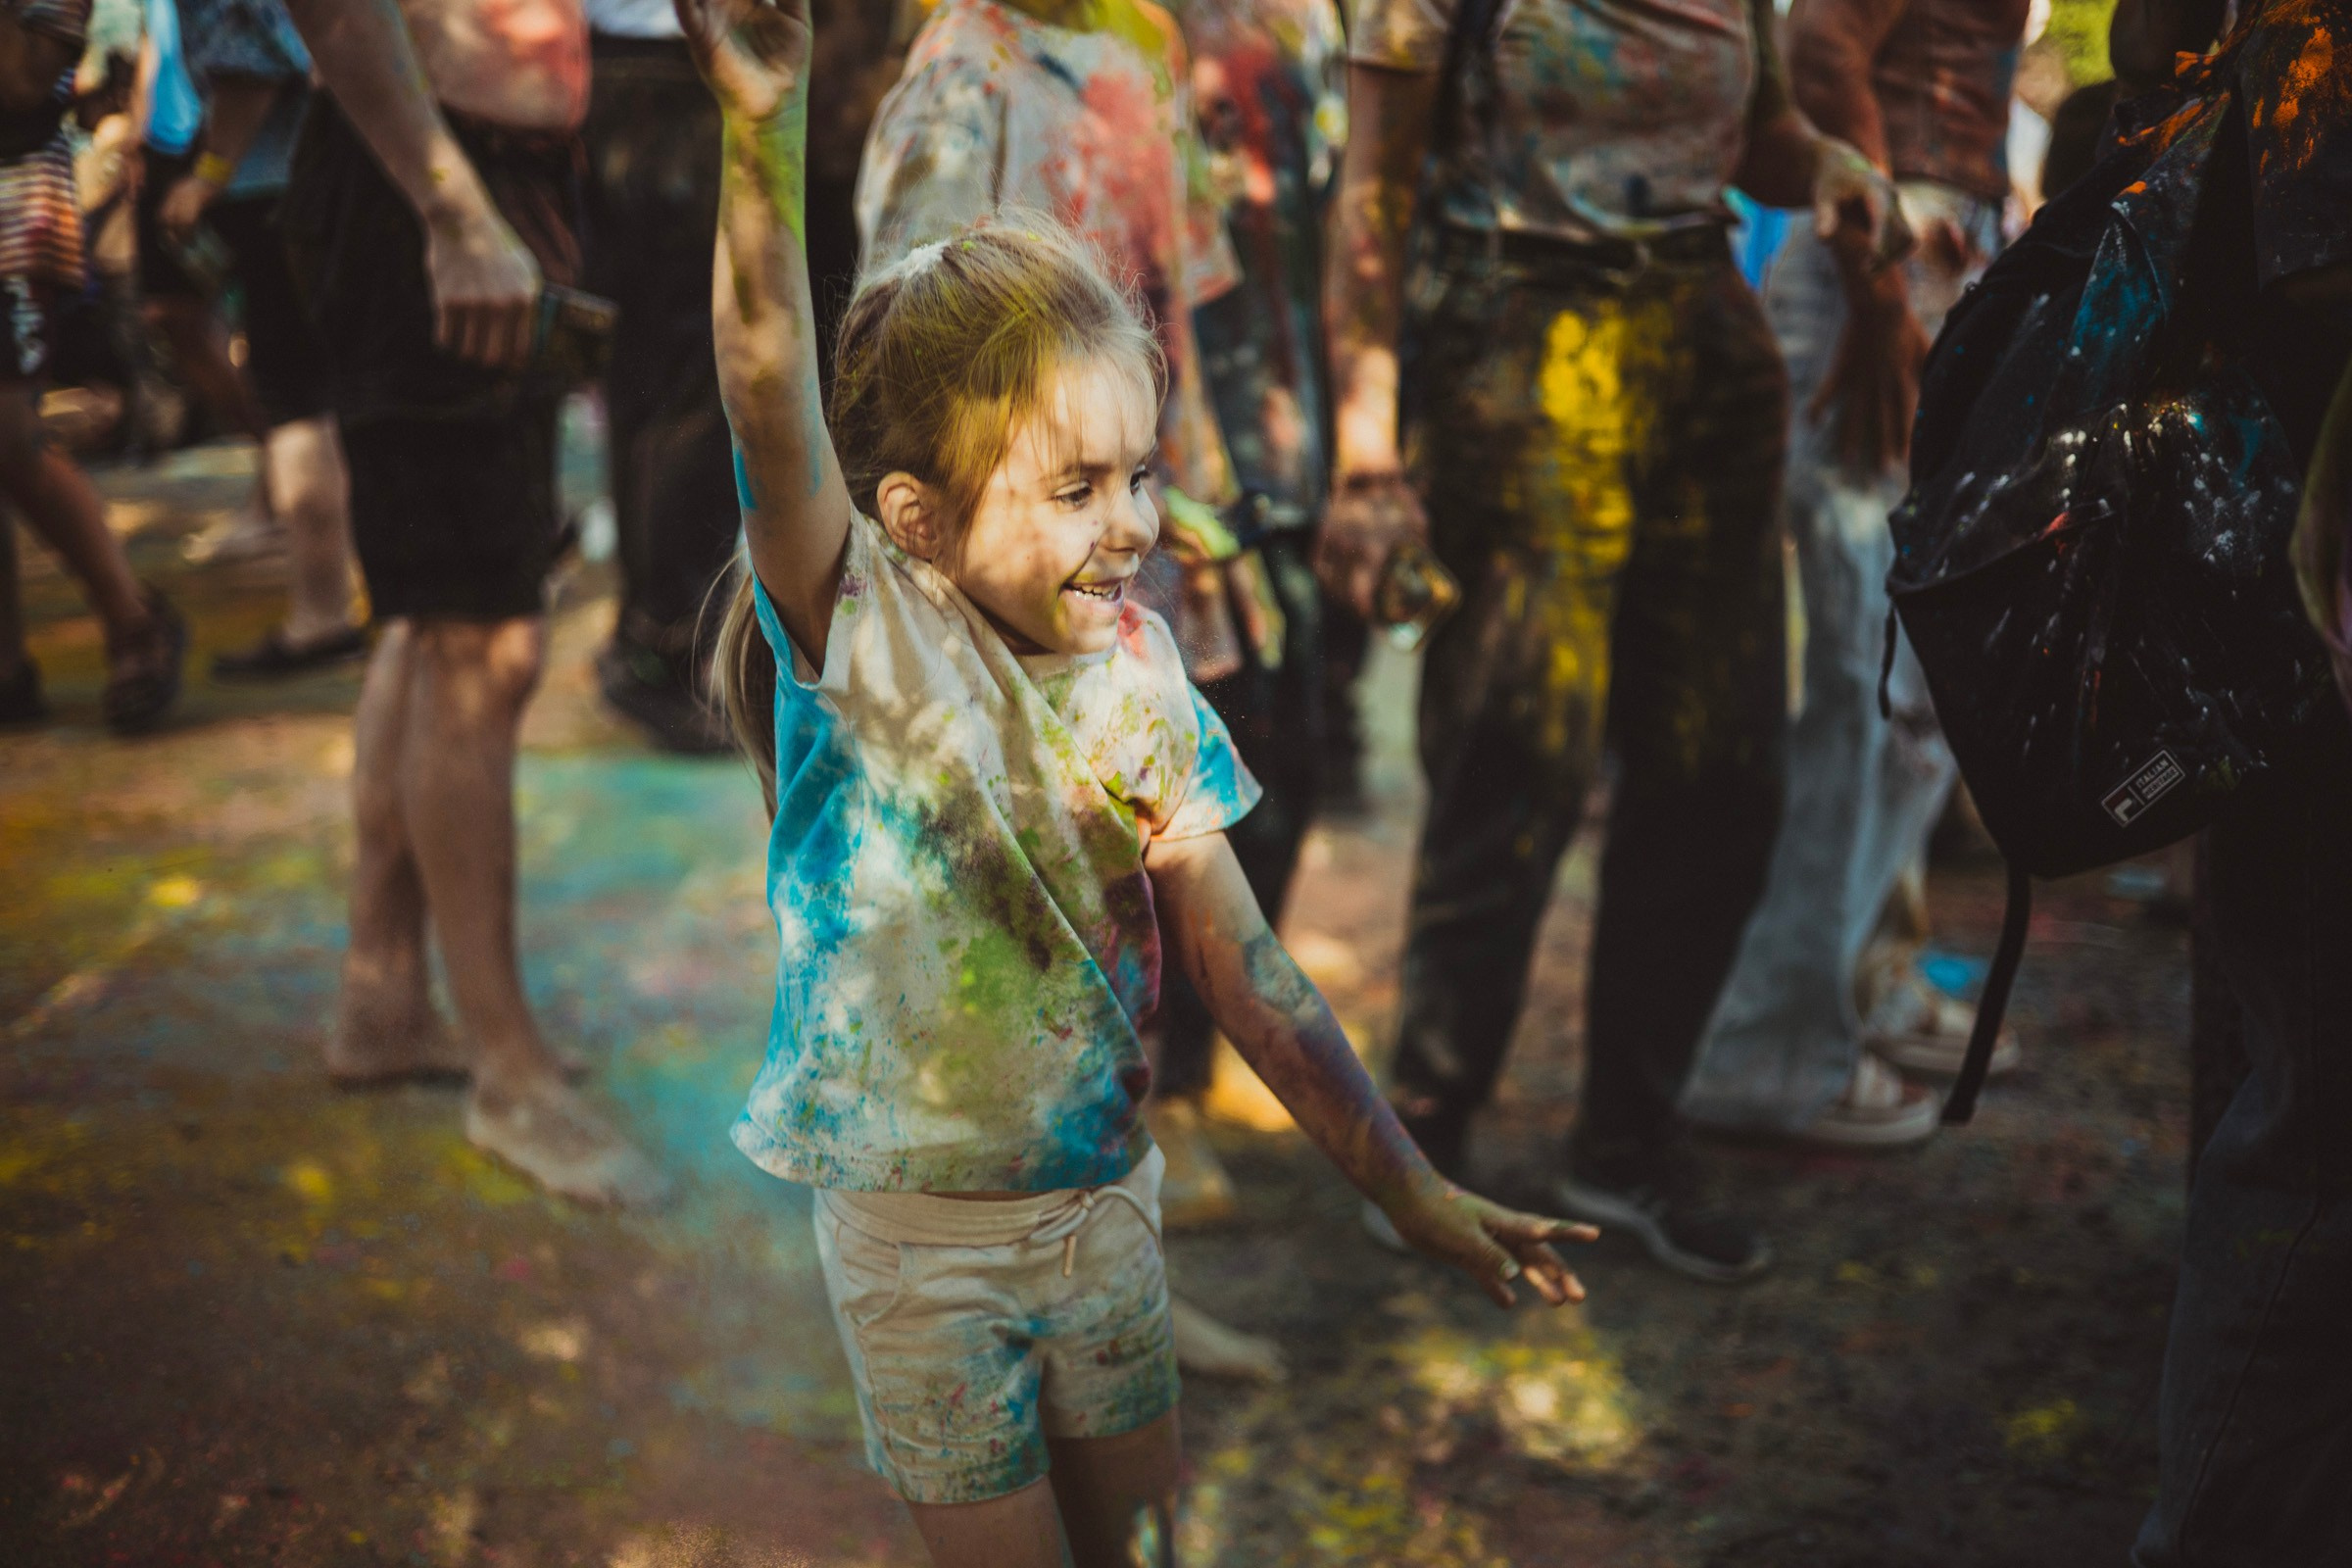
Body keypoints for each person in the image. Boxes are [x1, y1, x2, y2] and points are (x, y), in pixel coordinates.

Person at [681, 6, 1592, 1562]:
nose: (1133, 527)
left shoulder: (1141, 679)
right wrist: (758, 133)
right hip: (920, 1253)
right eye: (1078, 487)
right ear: (912, 512)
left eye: (1144, 474)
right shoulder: (863, 630)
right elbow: (766, 375)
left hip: (1107, 1214)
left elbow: (1251, 973)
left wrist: (1411, 1190)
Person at [1324, 0, 1902, 1279]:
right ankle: (1426, 1137)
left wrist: (1837, 167)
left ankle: (1626, 1146)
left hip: (1704, 339)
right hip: (1521, 340)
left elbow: (1760, 139)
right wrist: (1367, 457)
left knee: (1727, 765)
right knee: (1517, 754)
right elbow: (1372, 191)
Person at [277, 0, 662, 1204]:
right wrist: (452, 210)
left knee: (434, 615)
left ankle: (382, 997)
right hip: (432, 187)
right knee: (480, 642)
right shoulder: (438, 189)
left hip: (488, 179)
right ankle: (508, 1074)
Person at [1677, 0, 2034, 1149]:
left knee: (1922, 692)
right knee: (1863, 684)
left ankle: (1858, 978)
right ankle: (1769, 1049)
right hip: (1874, 266)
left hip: (1932, 250)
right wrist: (1880, 291)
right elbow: (1826, 40)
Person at [2102, 5, 2352, 1562]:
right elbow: (2309, 250)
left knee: (2291, 1077)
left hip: (2276, 549)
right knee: (2318, 1112)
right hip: (2298, 561)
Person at [578, 0, 906, 753]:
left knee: (797, 356)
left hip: (780, 65)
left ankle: (694, 636)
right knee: (697, 379)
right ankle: (668, 643)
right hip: (691, 68)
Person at [1144, 0, 1346, 1226]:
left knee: (1288, 754)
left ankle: (1202, 1065)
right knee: (1176, 781)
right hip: (1171, 428)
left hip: (1278, 413)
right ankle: (1153, 1095)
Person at [152, 0, 368, 679]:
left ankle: (322, 614)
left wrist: (210, 174)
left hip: (278, 178)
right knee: (323, 389)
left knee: (297, 400)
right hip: (322, 171)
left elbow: (252, 61)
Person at [0, 0, 187, 732]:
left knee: (10, 435)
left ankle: (134, 622)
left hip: (14, 203)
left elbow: (23, 80)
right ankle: (8, 670)